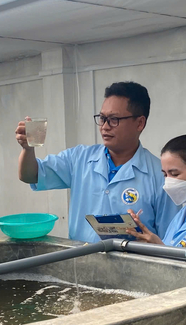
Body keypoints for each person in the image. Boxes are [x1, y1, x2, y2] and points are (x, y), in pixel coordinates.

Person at [16, 81, 177, 243]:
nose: (105, 127)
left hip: (134, 267)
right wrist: (27, 149)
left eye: (114, 119)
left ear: (139, 123)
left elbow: (170, 239)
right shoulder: (79, 158)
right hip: (81, 263)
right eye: (102, 118)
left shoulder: (161, 175)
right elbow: (31, 175)